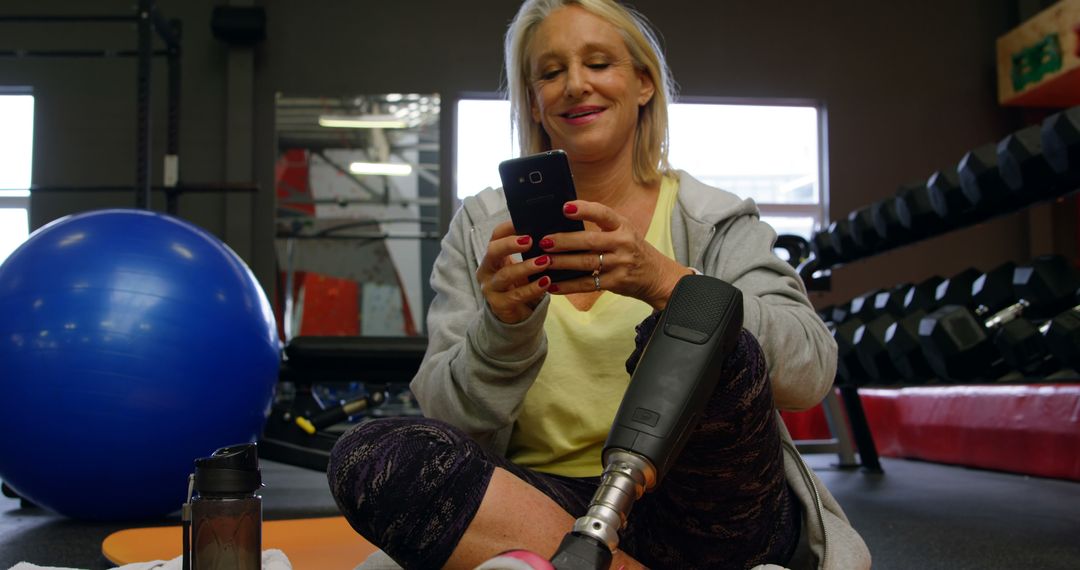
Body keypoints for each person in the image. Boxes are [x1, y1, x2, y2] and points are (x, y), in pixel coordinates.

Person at [328, 0, 871, 568]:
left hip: (706, 511)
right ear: (534, 101)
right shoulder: (481, 227)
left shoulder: (714, 219)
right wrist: (502, 329)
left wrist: (665, 280)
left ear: (643, 83)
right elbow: (448, 419)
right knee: (369, 456)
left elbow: (810, 372)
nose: (574, 85)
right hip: (543, 502)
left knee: (707, 327)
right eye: (551, 72)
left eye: (598, 63)